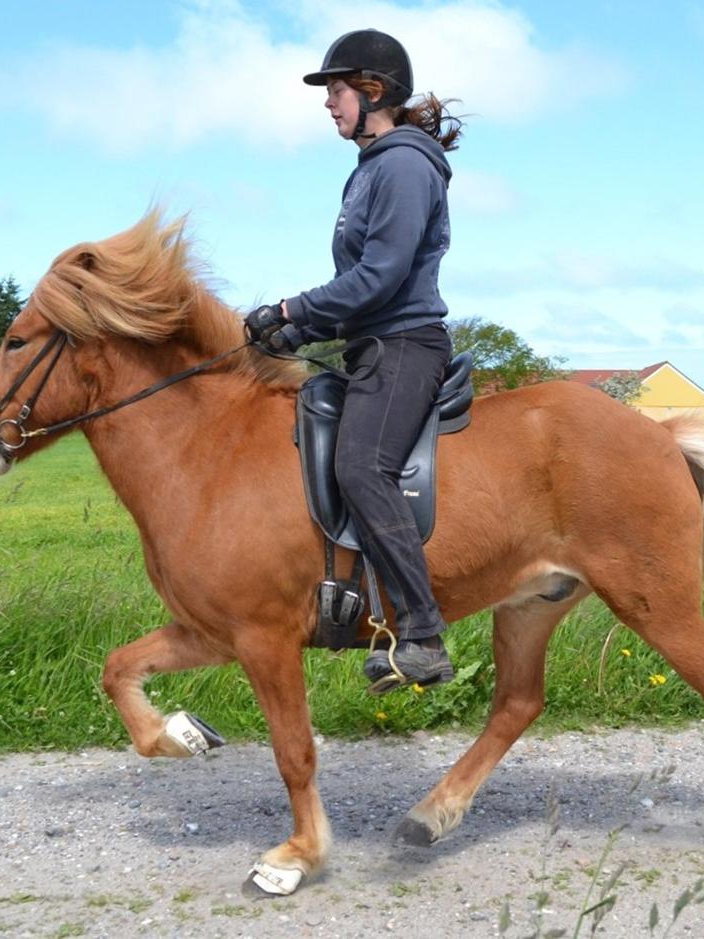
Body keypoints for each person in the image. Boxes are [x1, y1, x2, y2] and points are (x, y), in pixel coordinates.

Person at [244, 28, 463, 693]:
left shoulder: (402, 165)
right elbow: (362, 288)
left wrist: (292, 310)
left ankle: (422, 634)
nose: (328, 103)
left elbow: (384, 274)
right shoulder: (372, 166)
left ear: (372, 92)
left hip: (405, 346)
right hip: (374, 342)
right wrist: (300, 333)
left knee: (362, 465)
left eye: (335, 90)